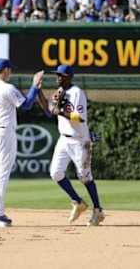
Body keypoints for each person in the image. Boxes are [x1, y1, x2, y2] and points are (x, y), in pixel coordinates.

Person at [0, 59, 44, 227]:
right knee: (1, 172)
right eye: (10, 70)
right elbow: (26, 105)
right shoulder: (7, 88)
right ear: (6, 70)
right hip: (3, 132)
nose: (11, 72)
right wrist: (35, 85)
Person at [40, 64, 105, 226]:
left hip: (80, 140)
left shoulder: (77, 93)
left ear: (69, 77)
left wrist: (60, 111)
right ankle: (78, 202)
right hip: (64, 139)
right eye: (57, 75)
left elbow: (80, 118)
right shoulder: (59, 92)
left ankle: (98, 211)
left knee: (84, 176)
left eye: (61, 75)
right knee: (55, 173)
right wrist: (38, 91)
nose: (58, 78)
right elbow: (49, 110)